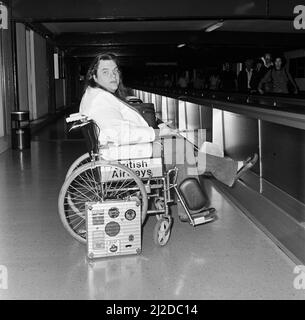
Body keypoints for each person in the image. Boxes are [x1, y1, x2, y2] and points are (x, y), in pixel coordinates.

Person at [79, 52, 257, 222]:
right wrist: (157, 133)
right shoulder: (100, 100)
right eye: (105, 72)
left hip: (122, 151)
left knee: (181, 149)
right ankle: (206, 194)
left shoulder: (96, 96)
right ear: (93, 76)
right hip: (125, 155)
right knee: (181, 151)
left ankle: (225, 172)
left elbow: (118, 127)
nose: (113, 76)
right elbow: (118, 133)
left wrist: (158, 129)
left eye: (115, 71)